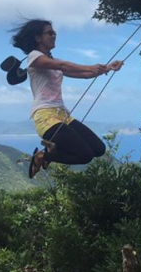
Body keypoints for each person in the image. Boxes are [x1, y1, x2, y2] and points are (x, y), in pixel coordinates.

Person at [10, 19, 124, 178]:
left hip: (63, 115)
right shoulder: (34, 57)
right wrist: (90, 66)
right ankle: (43, 156)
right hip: (46, 117)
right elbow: (65, 66)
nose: (54, 35)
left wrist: (108, 68)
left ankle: (51, 151)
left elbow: (83, 75)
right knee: (85, 156)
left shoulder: (53, 62)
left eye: (54, 32)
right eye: (49, 33)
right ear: (38, 38)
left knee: (98, 149)